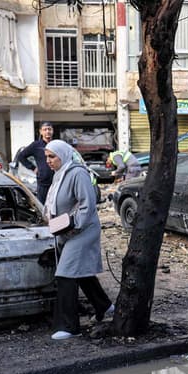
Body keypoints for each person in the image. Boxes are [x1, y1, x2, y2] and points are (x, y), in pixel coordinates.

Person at [44, 139, 114, 340]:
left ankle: (68, 327)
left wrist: (73, 225)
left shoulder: (77, 173)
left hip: (82, 230)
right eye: (46, 157)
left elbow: (87, 205)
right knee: (80, 271)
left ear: (63, 155)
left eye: (52, 156)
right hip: (67, 230)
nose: (48, 160)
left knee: (66, 273)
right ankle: (105, 306)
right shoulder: (60, 174)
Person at [17, 121, 55, 203]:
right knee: (42, 206)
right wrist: (32, 168)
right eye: (45, 130)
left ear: (52, 131)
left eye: (49, 129)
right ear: (41, 132)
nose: (47, 131)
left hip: (57, 181)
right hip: (43, 182)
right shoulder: (36, 145)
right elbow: (21, 156)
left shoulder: (56, 144)